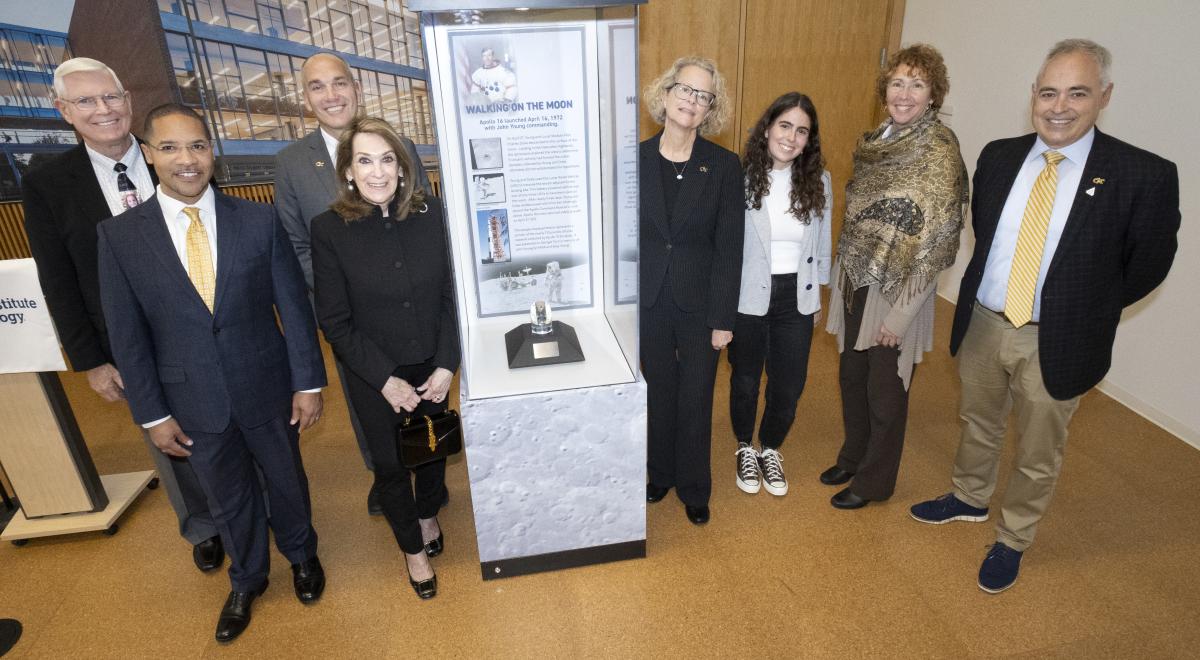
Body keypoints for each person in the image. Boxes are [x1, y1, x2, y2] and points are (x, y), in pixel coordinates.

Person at [910, 39, 1180, 594]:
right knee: (977, 420)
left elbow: (1148, 265)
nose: (1060, 107)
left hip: (1056, 338)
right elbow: (987, 237)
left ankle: (1013, 538)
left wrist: (1085, 308)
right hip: (986, 320)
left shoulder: (1141, 174)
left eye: (1077, 93)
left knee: (1038, 448)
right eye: (1049, 92)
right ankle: (968, 497)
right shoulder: (1000, 156)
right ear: (1033, 96)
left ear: (1104, 96)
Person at [97, 104, 328, 642]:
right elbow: (127, 337)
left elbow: (292, 308)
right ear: (149, 155)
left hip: (267, 386)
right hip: (190, 398)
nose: (187, 159)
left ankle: (302, 557)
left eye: (198, 146)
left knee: (287, 480)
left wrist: (308, 382)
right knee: (227, 496)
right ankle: (247, 578)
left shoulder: (258, 219)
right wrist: (152, 415)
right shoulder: (121, 238)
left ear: (212, 152)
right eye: (171, 148)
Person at [21, 57, 224, 572]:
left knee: (231, 422)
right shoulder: (49, 183)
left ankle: (250, 506)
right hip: (125, 342)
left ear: (128, 101)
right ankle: (203, 527)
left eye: (111, 97)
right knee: (168, 439)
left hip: (205, 327)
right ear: (64, 111)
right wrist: (89, 359)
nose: (103, 109)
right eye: (85, 101)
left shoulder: (176, 157)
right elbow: (57, 277)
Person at [274, 51, 431, 517]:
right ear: (305, 99)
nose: (331, 95)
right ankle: (386, 477)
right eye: (318, 87)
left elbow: (421, 212)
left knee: (422, 393)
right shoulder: (291, 163)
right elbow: (295, 243)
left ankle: (427, 469)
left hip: (410, 304)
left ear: (356, 88)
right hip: (348, 317)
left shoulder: (398, 142)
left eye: (339, 83)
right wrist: (337, 294)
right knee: (369, 402)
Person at [310, 117, 459, 600]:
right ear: (349, 171)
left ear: (403, 165)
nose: (378, 172)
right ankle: (413, 552)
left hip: (432, 362)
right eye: (365, 161)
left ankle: (428, 511)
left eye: (388, 159)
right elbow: (335, 321)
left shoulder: (431, 212)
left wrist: (446, 363)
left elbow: (452, 297)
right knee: (392, 466)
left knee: (434, 448)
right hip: (374, 373)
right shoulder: (329, 229)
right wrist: (384, 380)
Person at [820, 44, 967, 510]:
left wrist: (901, 316)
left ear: (933, 95)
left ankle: (874, 482)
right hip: (856, 279)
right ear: (885, 90)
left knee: (885, 391)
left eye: (917, 84)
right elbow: (860, 217)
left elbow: (940, 240)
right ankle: (853, 456)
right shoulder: (875, 142)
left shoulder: (939, 150)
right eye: (897, 83)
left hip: (899, 289)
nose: (905, 93)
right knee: (851, 376)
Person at [640, 56, 743, 525]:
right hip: (649, 301)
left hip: (701, 304)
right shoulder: (634, 159)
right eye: (685, 90)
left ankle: (695, 487)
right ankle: (660, 472)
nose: (691, 101)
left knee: (698, 394)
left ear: (709, 110)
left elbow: (729, 248)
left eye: (703, 96)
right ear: (665, 95)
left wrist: (723, 318)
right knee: (659, 390)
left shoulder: (723, 166)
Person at [729, 92, 831, 497]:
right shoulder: (739, 176)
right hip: (749, 295)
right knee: (746, 380)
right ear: (768, 127)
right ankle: (744, 447)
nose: (791, 137)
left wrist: (817, 295)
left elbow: (822, 243)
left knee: (789, 384)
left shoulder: (818, 180)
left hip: (796, 296)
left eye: (802, 131)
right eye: (785, 126)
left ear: (810, 139)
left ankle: (770, 447)